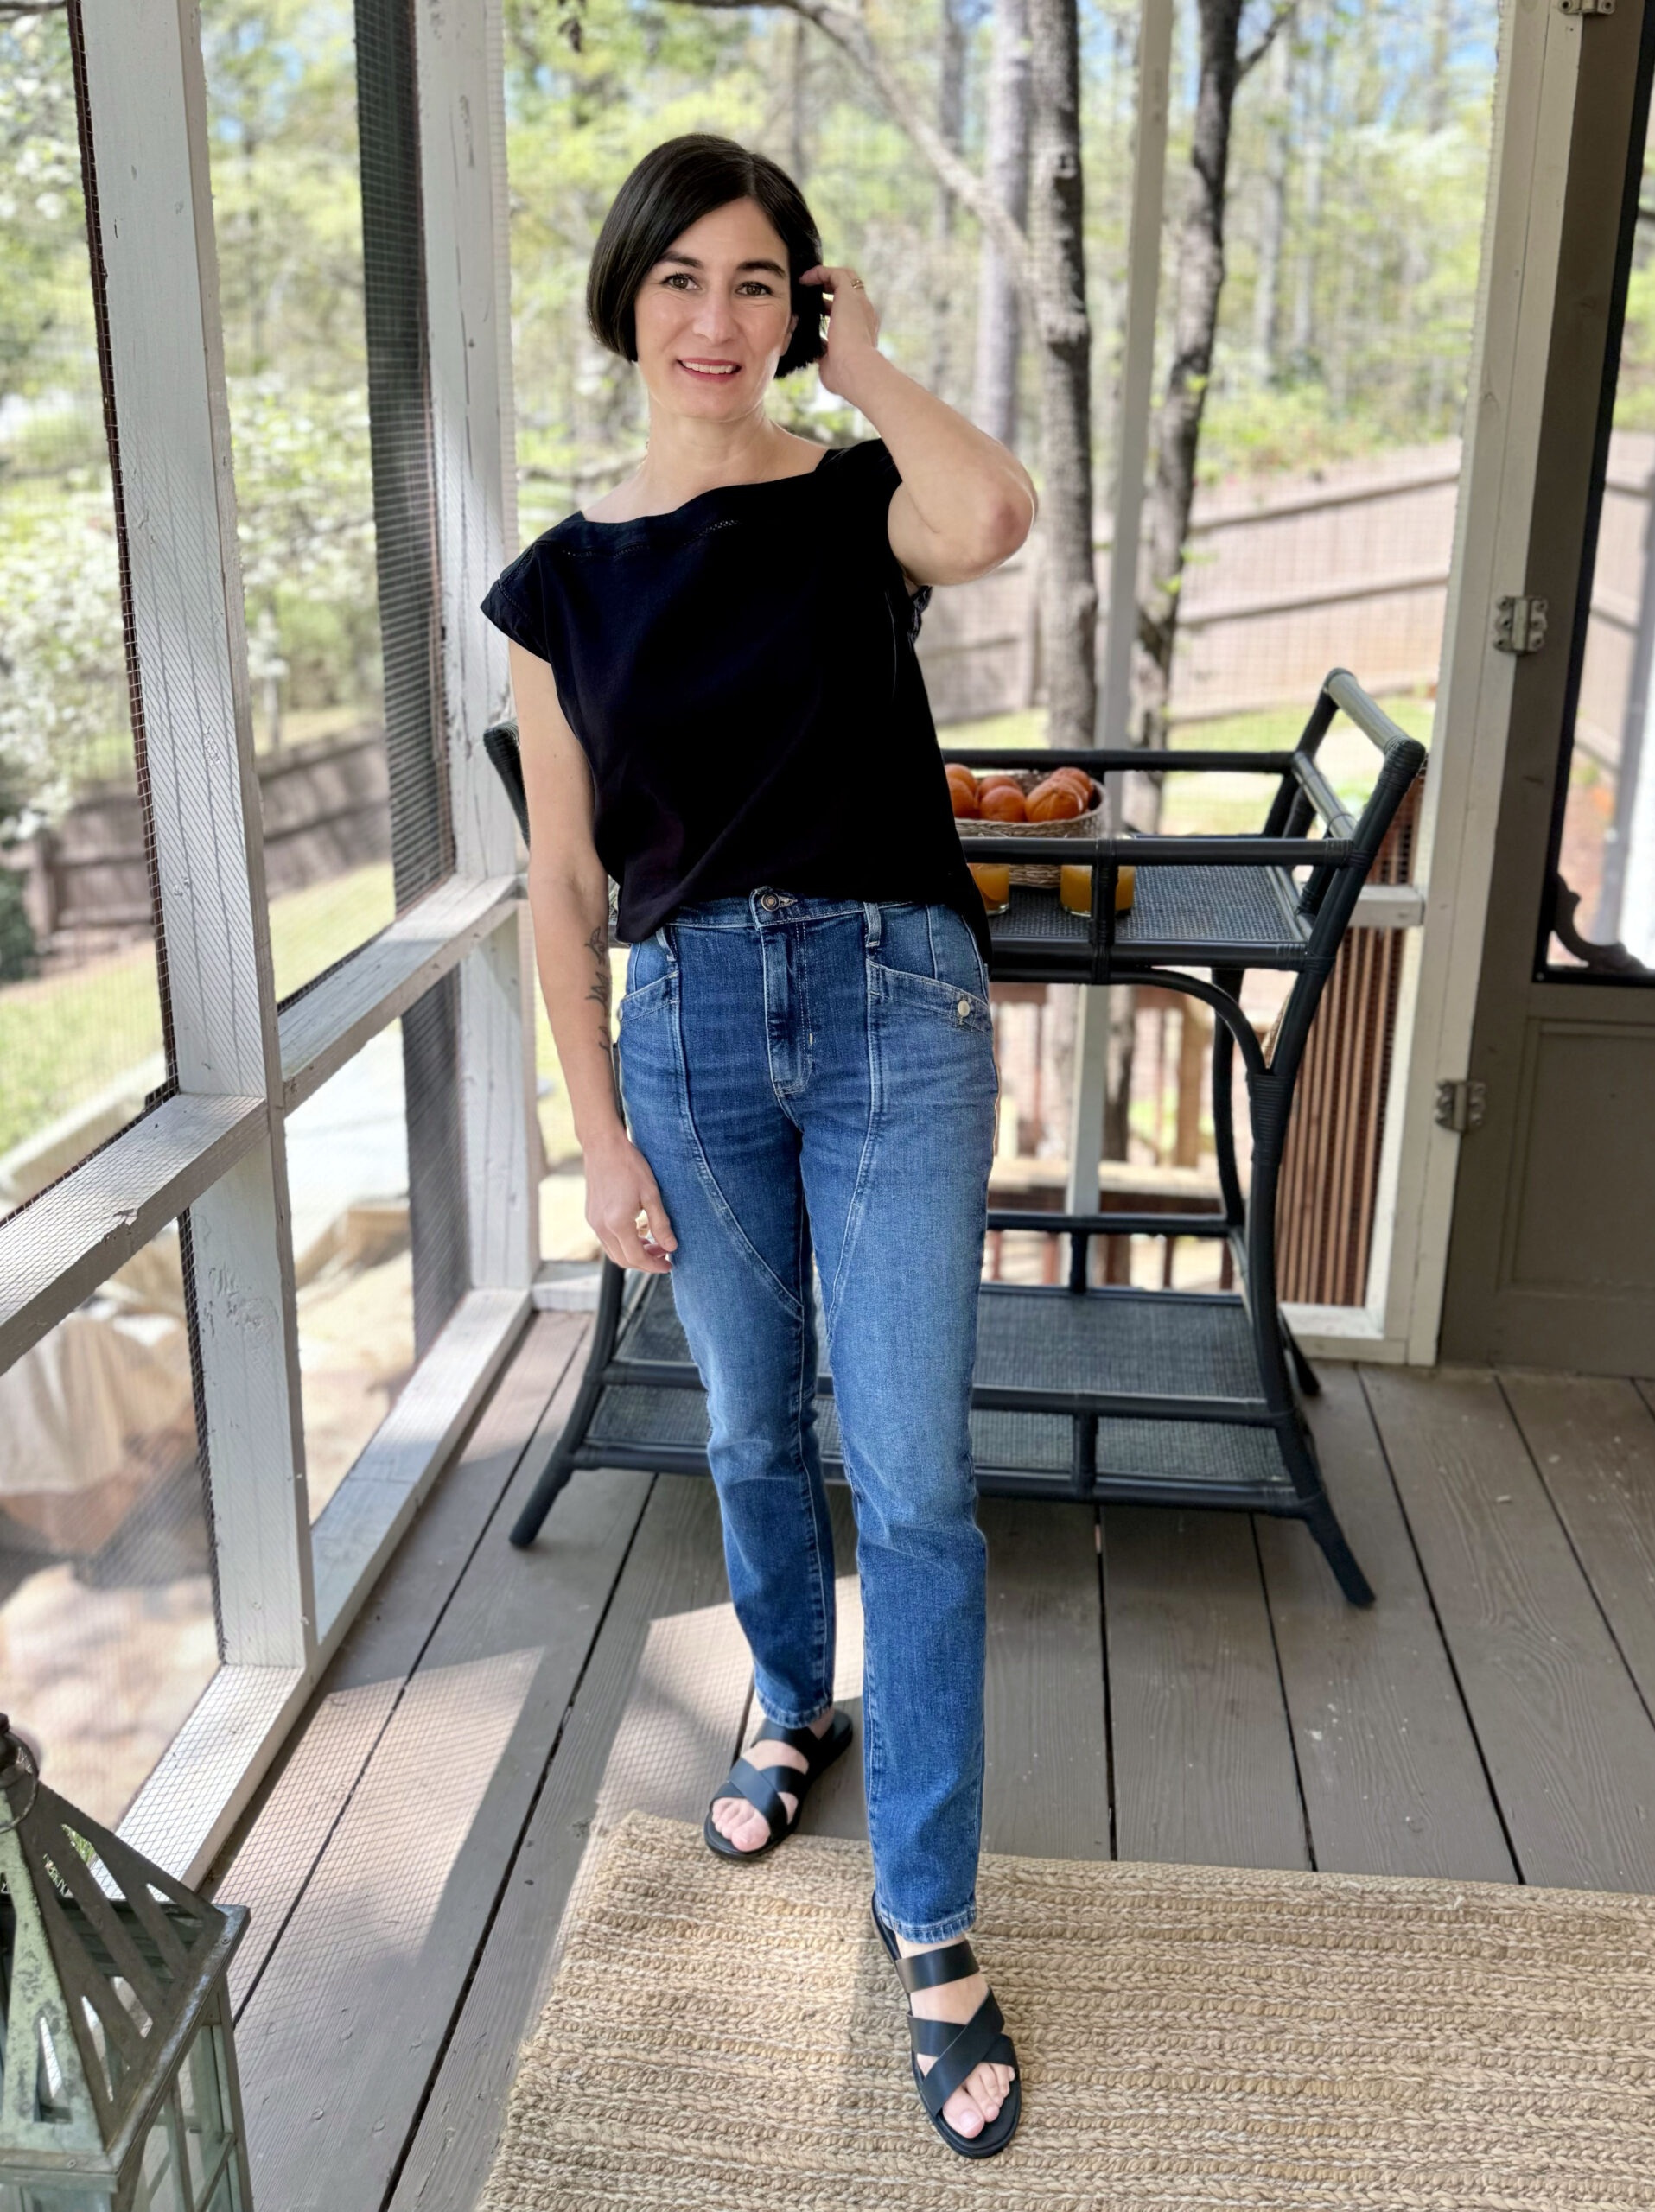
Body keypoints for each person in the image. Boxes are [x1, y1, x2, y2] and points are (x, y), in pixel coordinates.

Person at [481, 131, 1036, 2158]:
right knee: (741, 1421)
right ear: (627, 301)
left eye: (758, 282)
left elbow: (998, 514)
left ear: (798, 306)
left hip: (896, 1010)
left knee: (916, 1473)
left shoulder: (859, 498)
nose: (717, 320)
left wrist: (865, 361)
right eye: (683, 279)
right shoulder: (559, 584)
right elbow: (560, 881)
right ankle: (792, 1701)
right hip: (688, 1025)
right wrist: (592, 1130)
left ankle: (932, 1917)